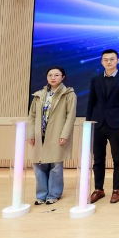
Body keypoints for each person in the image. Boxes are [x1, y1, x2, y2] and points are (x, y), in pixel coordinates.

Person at [86, 49, 119, 204]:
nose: (109, 62)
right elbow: (91, 102)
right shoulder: (96, 80)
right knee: (98, 159)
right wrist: (89, 123)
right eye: (105, 59)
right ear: (101, 62)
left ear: (117, 61)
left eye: (112, 59)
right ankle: (98, 189)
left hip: (116, 124)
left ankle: (116, 190)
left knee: (117, 157)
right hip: (98, 124)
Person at [27, 66, 77, 205]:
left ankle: (53, 194)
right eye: (50, 75)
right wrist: (30, 134)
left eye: (56, 75)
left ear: (63, 77)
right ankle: (41, 195)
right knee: (38, 165)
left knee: (55, 165)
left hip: (57, 134)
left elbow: (70, 116)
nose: (53, 78)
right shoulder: (39, 95)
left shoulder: (69, 94)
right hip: (40, 135)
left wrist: (65, 134)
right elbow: (32, 116)